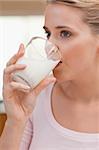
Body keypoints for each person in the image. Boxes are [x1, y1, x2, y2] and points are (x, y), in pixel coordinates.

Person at [0, 0, 99, 149]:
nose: (49, 47)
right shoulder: (35, 98)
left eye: (65, 33)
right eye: (48, 33)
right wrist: (15, 121)